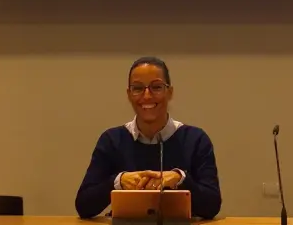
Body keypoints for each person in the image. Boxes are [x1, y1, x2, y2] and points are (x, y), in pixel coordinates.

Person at [75, 57, 221, 219]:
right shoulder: (111, 140)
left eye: (156, 87)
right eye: (137, 88)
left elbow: (212, 206)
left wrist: (181, 179)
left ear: (170, 92)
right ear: (129, 94)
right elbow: (83, 206)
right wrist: (118, 182)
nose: (147, 96)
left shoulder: (196, 139)